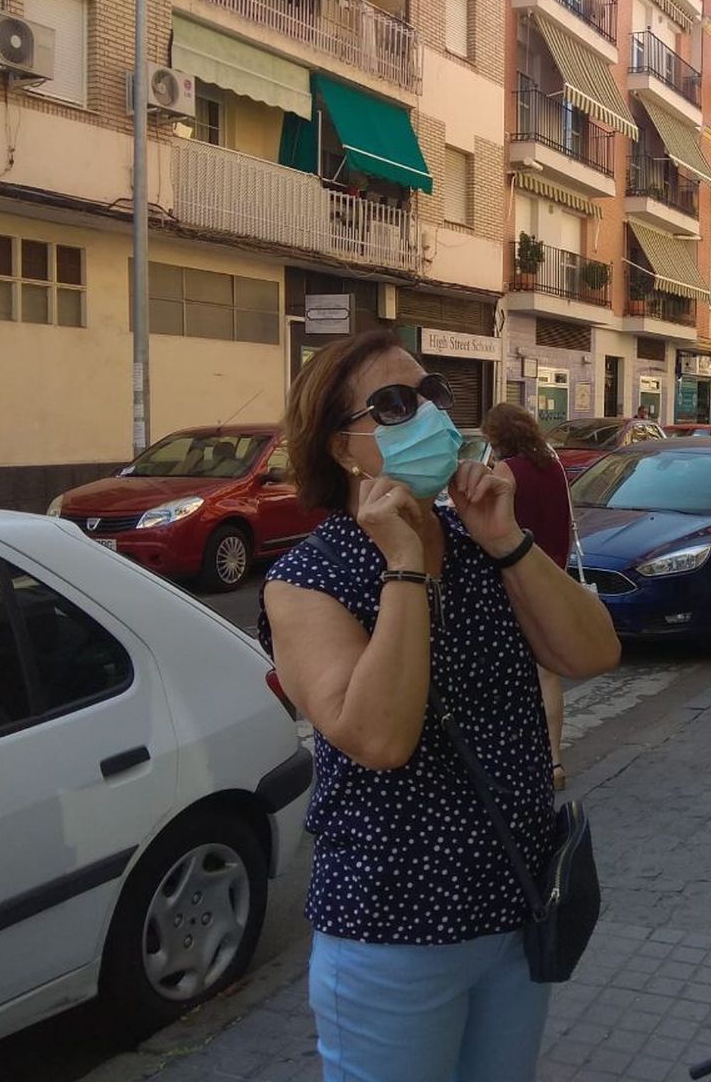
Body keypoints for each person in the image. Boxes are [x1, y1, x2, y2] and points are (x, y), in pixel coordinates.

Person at [258, 329, 619, 1082]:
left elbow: (593, 654)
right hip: (391, 933)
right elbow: (379, 738)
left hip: (514, 906)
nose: (427, 414)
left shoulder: (482, 538)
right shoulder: (306, 580)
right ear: (340, 446)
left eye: (432, 395)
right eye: (394, 404)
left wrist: (508, 539)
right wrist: (405, 565)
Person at [482, 402, 574, 790]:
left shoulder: (505, 471)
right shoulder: (553, 466)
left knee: (510, 672)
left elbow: (489, 526)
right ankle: (554, 761)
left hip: (516, 576)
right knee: (547, 672)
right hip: (553, 572)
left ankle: (514, 754)